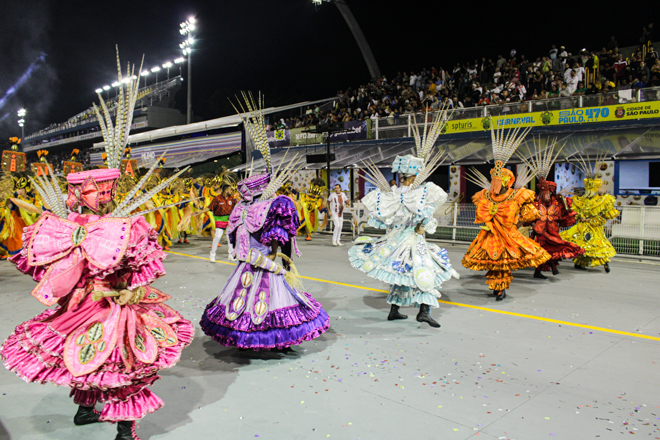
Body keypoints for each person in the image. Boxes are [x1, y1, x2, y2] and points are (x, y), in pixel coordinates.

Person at [0, 58, 193, 440]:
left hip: (98, 303)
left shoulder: (94, 224)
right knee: (120, 360)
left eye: (105, 190)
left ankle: (86, 411)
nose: (103, 196)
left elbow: (139, 264)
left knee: (93, 354)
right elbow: (45, 267)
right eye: (98, 190)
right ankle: (125, 430)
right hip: (103, 304)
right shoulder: (95, 226)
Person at [200, 93, 329, 351]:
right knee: (268, 302)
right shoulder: (271, 208)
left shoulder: (246, 209)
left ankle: (257, 340)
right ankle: (276, 341)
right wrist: (279, 264)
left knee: (248, 301)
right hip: (264, 265)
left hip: (247, 265)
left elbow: (240, 245)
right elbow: (275, 246)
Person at [350, 110, 459, 327]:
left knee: (403, 272)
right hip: (411, 240)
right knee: (423, 271)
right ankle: (423, 311)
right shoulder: (420, 193)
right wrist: (423, 223)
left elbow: (386, 218)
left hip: (397, 239)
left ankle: (395, 310)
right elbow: (422, 219)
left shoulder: (394, 194)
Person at [462, 124, 550, 301]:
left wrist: (517, 223)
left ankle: (501, 288)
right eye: (494, 180)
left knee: (503, 261)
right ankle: (497, 286)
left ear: (506, 182)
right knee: (493, 261)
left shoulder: (517, 195)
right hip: (490, 234)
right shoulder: (485, 195)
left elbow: (530, 214)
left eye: (499, 181)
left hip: (508, 234)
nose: (495, 184)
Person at [520, 140, 585, 278]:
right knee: (540, 252)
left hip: (552, 231)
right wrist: (533, 224)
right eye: (545, 191)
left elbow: (563, 216)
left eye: (549, 191)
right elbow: (528, 217)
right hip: (540, 233)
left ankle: (552, 266)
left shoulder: (558, 202)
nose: (547, 194)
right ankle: (541, 270)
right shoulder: (536, 203)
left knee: (554, 248)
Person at [561, 156, 619, 273]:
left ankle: (604, 262)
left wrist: (592, 220)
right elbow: (575, 212)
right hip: (582, 226)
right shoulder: (580, 200)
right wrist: (581, 217)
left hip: (594, 227)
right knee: (580, 243)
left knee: (596, 244)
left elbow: (606, 215)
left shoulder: (602, 200)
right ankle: (580, 262)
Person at [195, 183, 237, 262]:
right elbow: (209, 207)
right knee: (218, 236)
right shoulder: (217, 199)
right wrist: (200, 212)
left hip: (229, 220)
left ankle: (231, 255)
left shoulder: (231, 199)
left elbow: (237, 206)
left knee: (230, 237)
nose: (231, 191)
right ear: (226, 190)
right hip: (220, 219)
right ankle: (212, 254)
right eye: (230, 189)